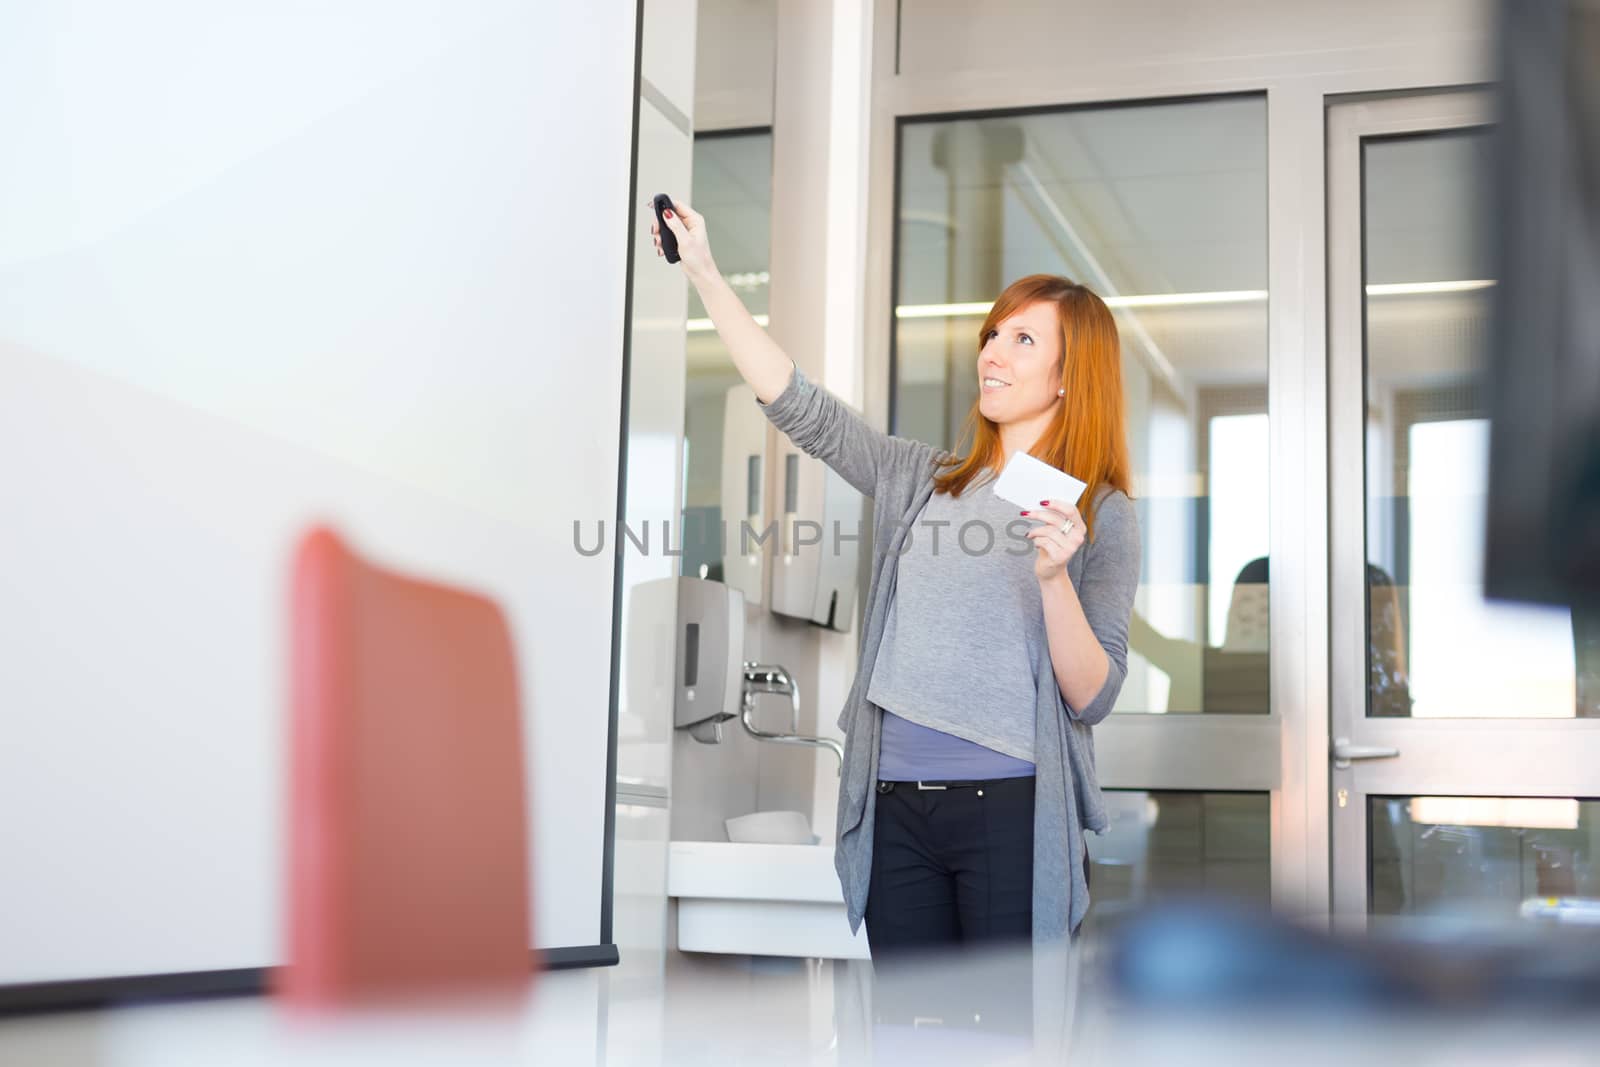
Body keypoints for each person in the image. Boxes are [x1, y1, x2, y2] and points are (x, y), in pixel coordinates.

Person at [651, 198, 1140, 955]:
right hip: (895, 805)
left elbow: (1093, 694)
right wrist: (706, 274)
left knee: (1003, 1037)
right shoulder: (923, 478)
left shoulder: (1100, 513)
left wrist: (1054, 579)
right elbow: (800, 406)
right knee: (907, 1033)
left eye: (1021, 338)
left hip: (1009, 810)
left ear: (1070, 374)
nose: (992, 354)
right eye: (991, 336)